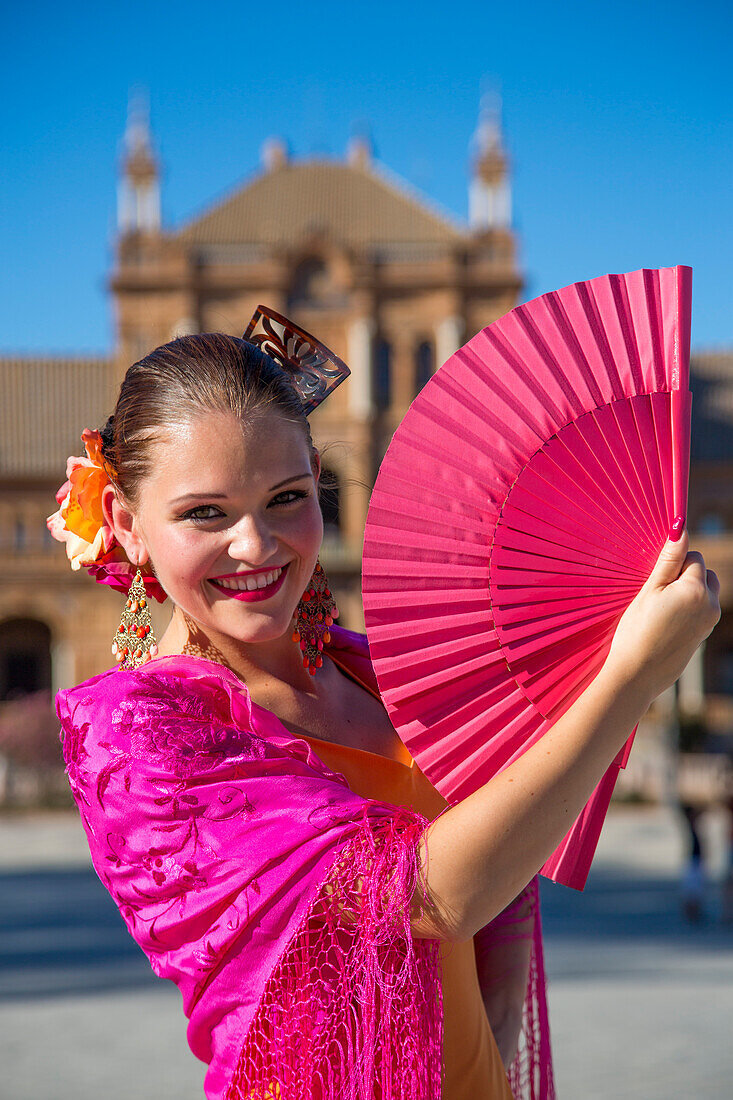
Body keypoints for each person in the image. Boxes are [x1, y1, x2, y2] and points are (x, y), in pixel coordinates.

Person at [48, 326, 720, 1100]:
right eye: (205, 513)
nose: (255, 544)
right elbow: (423, 895)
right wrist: (631, 676)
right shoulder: (139, 735)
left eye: (286, 498)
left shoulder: (376, 668)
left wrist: (494, 1037)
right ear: (128, 527)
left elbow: (495, 866)